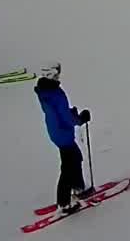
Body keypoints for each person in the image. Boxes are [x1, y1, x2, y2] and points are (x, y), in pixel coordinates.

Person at [35, 63, 96, 214]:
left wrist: (72, 114)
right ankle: (64, 202)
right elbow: (66, 117)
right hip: (63, 134)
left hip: (57, 131)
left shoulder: (46, 91)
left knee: (75, 158)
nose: (58, 76)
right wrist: (80, 119)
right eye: (56, 74)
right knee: (69, 166)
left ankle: (79, 187)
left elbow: (60, 113)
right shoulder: (55, 94)